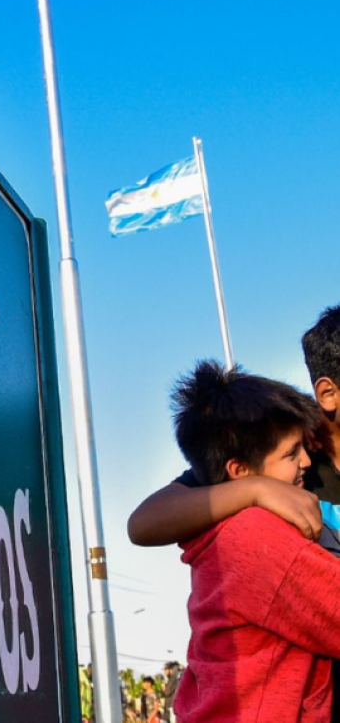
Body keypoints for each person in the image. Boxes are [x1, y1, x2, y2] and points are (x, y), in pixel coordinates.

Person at [128, 305, 340, 720]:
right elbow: (144, 522)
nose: (300, 463)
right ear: (328, 393)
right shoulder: (272, 475)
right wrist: (256, 489)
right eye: (291, 455)